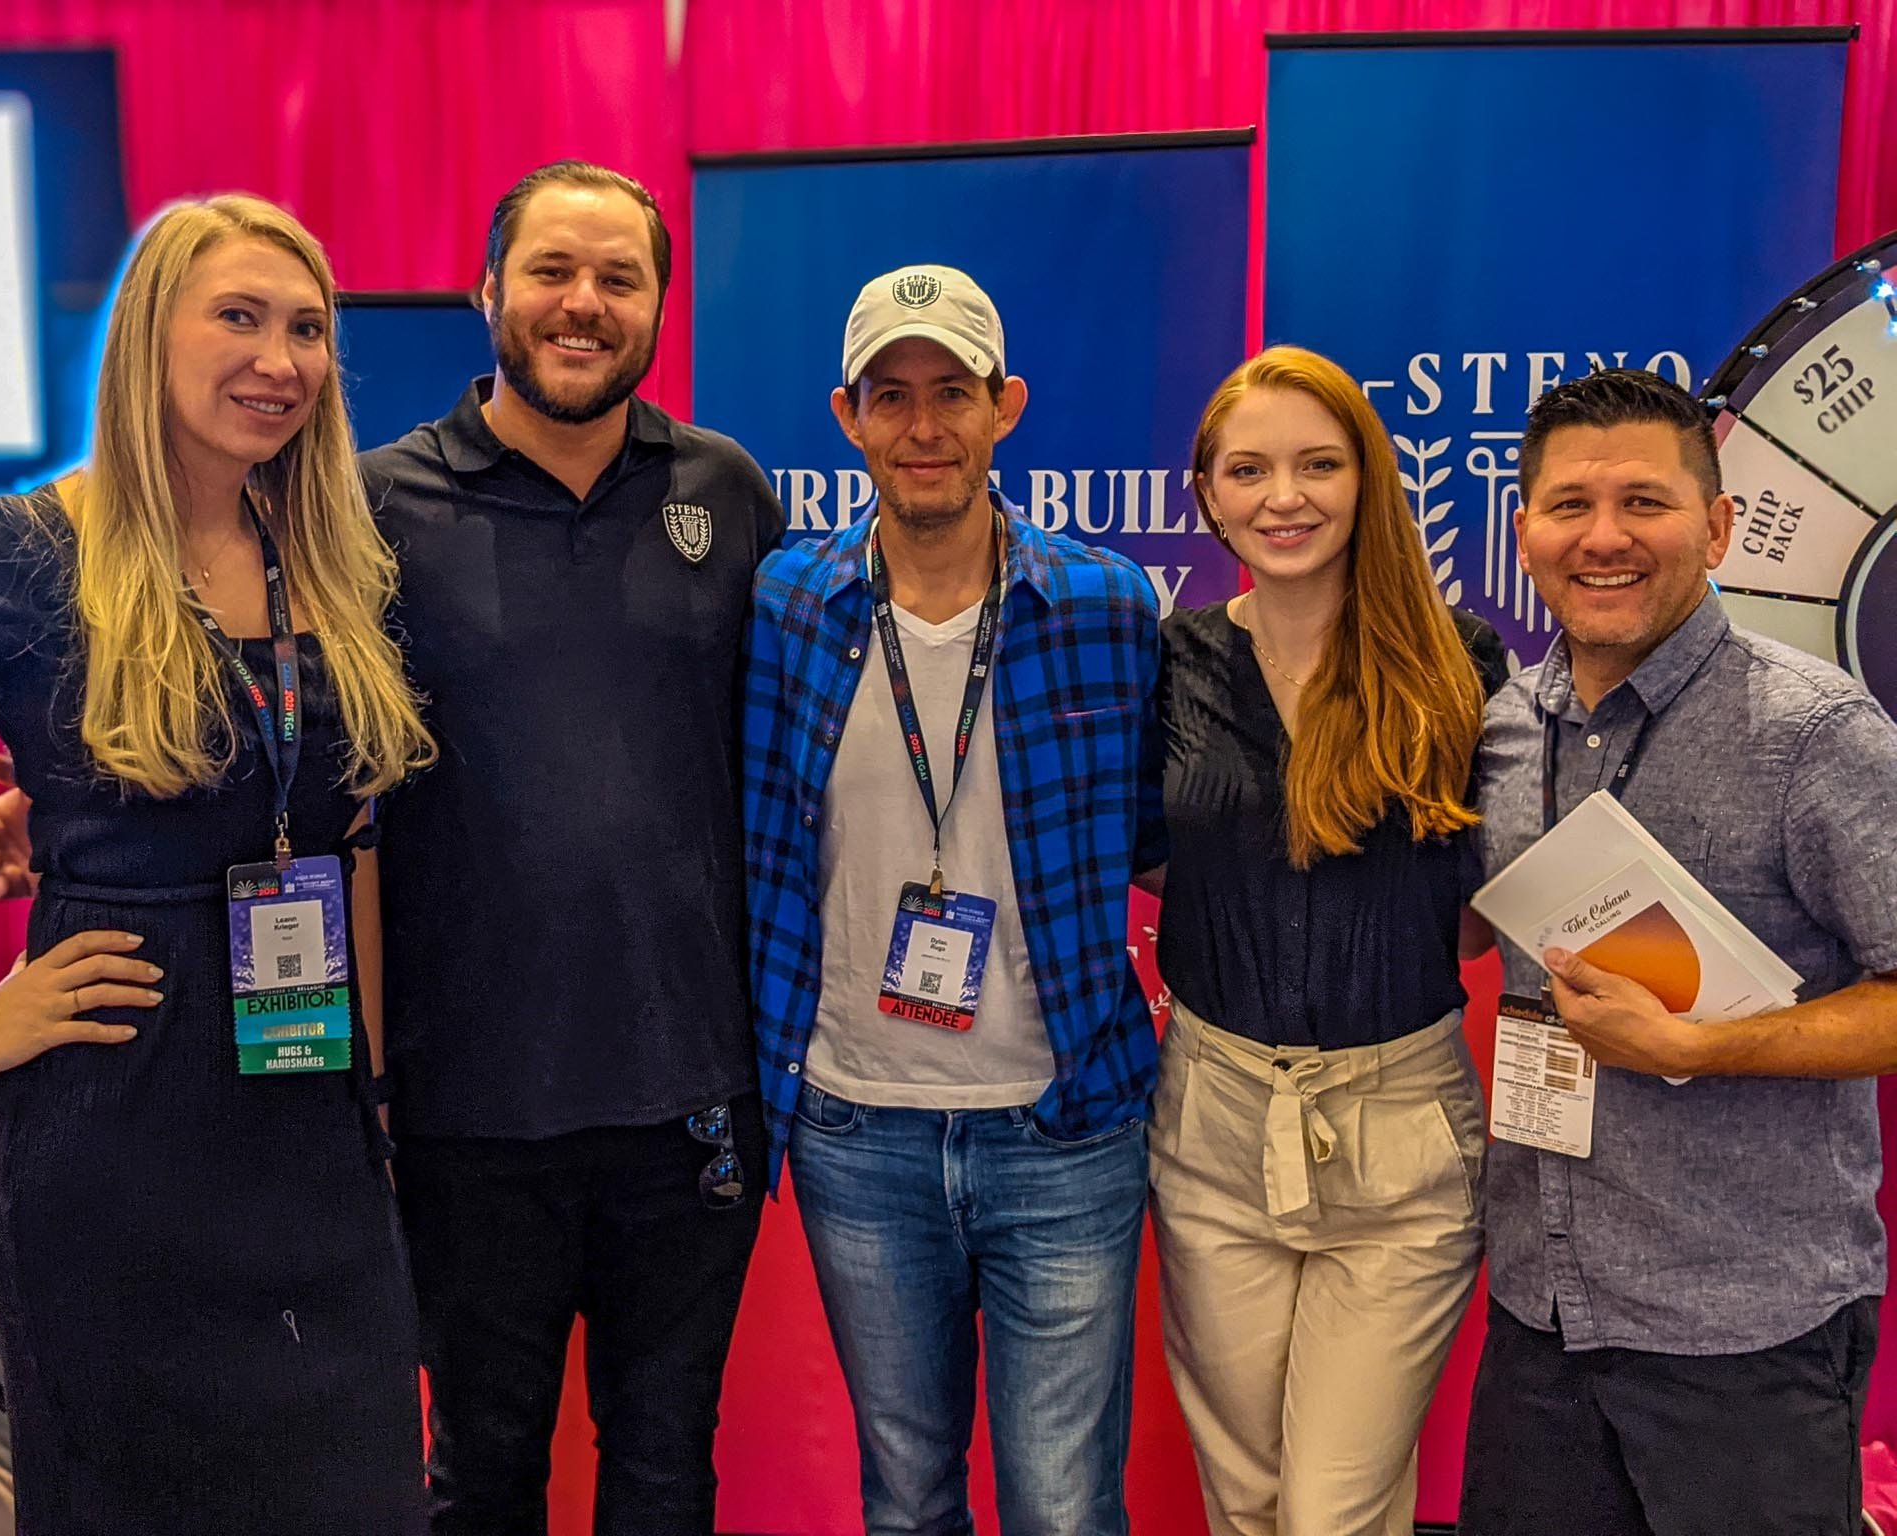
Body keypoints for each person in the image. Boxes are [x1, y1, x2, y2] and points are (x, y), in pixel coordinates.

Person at [0, 195, 435, 1534]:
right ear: (144, 338)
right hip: (110, 1138)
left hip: (310, 1123)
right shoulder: (12, 555)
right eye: (237, 317)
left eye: (306, 328)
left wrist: (385, 1098)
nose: (280, 360)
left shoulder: (335, 555)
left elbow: (339, 831)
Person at [743, 264, 1164, 1535]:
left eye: (952, 394)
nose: (923, 427)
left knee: (1061, 1504)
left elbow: (1154, 830)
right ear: (847, 418)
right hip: (854, 1127)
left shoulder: (1102, 604)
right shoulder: (785, 607)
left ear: (1005, 405)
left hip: (1062, 1126)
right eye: (891, 397)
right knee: (906, 1493)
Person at [1456, 367, 1897, 1536]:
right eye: (1568, 507)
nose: (1603, 538)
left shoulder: (1814, 736)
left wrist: (1704, 1045)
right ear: (1523, 534)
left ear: (1715, 526)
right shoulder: (1503, 729)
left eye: (1644, 504)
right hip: (1540, 1315)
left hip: (1742, 1330)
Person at [1148, 345, 1503, 1536]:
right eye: (1246, 469)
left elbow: (1483, 890)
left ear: (1367, 477)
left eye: (1316, 463)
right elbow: (1150, 850)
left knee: (1332, 1511)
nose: (1282, 497)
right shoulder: (1172, 664)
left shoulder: (1456, 663)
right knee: (1244, 1498)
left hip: (1399, 1133)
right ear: (1204, 492)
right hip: (1213, 1121)